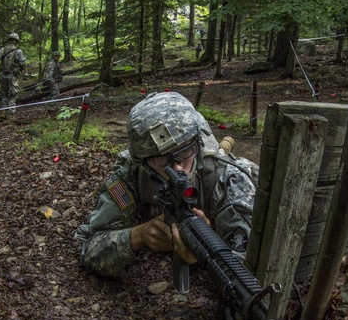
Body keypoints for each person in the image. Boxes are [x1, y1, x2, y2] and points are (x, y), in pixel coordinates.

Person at [75, 91, 258, 279]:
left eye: (186, 151)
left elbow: (249, 269)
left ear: (198, 143)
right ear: (143, 162)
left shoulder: (229, 180)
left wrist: (209, 249)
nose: (178, 168)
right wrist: (136, 237)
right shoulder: (133, 177)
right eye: (163, 161)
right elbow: (88, 247)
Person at [0, 33, 26, 112]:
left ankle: (3, 112)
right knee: (13, 95)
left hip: (2, 76)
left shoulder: (2, 50)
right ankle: (10, 114)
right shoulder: (18, 51)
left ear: (9, 40)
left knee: (4, 95)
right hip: (12, 76)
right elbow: (22, 63)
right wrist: (21, 70)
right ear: (16, 41)